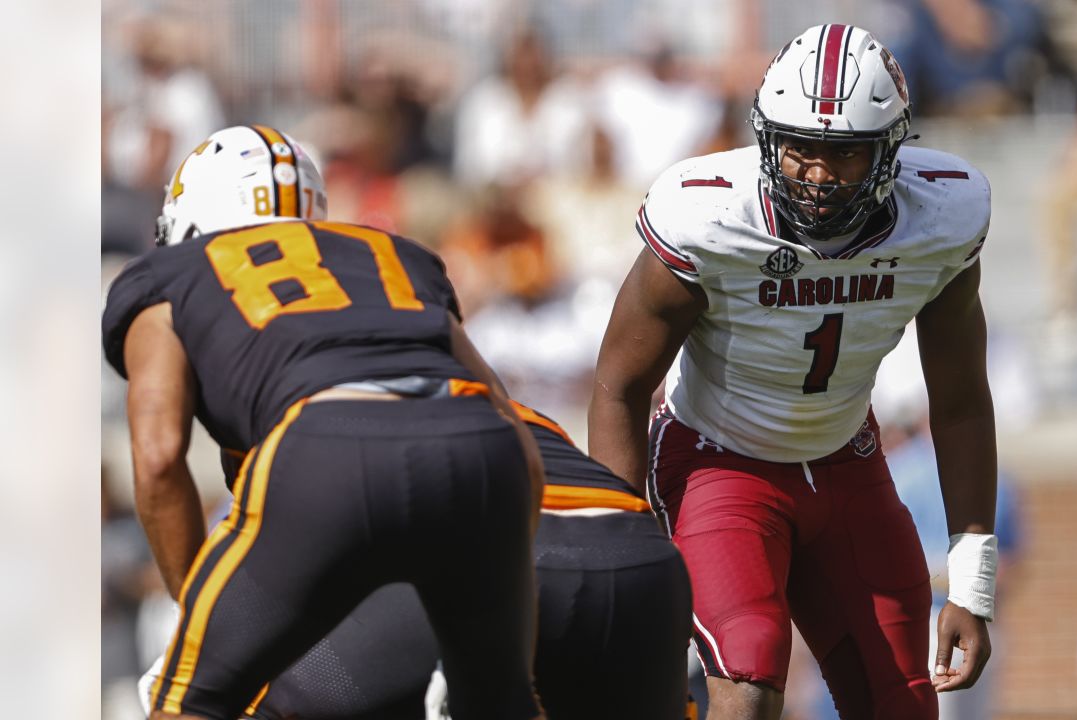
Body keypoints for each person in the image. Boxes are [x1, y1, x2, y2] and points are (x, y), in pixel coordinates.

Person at [589, 24, 998, 720]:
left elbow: (959, 400)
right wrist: (620, 554)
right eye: (799, 145)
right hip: (719, 461)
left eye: (842, 153)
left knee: (903, 702)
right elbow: (619, 385)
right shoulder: (711, 214)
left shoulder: (942, 216)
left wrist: (973, 582)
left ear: (890, 149)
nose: (814, 171)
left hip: (846, 462)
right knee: (747, 684)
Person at [102, 125, 546, 720]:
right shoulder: (394, 255)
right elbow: (509, 423)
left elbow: (158, 457)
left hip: (329, 447)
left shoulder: (170, 277)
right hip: (483, 455)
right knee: (499, 706)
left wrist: (199, 614)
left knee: (188, 699)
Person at [139, 400, 695, 720]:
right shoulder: (499, 402)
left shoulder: (311, 429)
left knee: (220, 694)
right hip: (637, 565)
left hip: (486, 575)